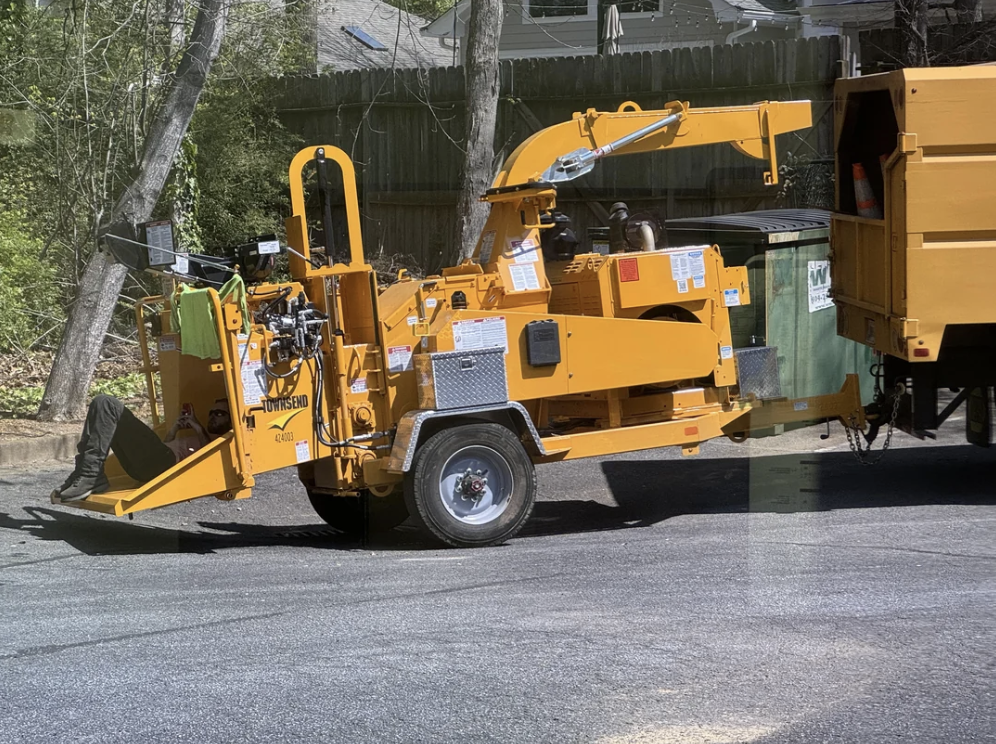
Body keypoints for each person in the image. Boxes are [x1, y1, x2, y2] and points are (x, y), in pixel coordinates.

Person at [53, 396, 232, 503]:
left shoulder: (222, 442)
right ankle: (84, 472)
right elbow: (165, 447)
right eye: (211, 413)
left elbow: (209, 457)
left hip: (163, 465)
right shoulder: (195, 436)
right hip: (148, 465)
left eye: (219, 414)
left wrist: (198, 427)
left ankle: (91, 475)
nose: (213, 417)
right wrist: (174, 430)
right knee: (100, 406)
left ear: (230, 420)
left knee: (107, 404)